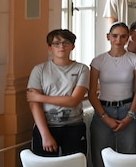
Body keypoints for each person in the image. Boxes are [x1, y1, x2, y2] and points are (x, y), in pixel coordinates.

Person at [88, 22, 136, 167]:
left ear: (128, 38)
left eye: (123, 36)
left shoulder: (134, 59)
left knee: (127, 157)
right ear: (108, 37)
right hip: (103, 110)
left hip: (128, 109)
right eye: (115, 36)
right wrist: (105, 117)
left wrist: (129, 116)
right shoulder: (98, 60)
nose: (118, 40)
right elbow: (91, 93)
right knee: (100, 158)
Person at [26, 29, 90, 157]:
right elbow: (34, 104)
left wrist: (40, 97)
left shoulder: (82, 69)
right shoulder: (39, 70)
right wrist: (45, 134)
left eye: (66, 43)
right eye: (56, 43)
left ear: (72, 46)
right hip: (46, 126)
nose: (61, 46)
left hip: (73, 126)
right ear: (50, 48)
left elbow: (73, 101)